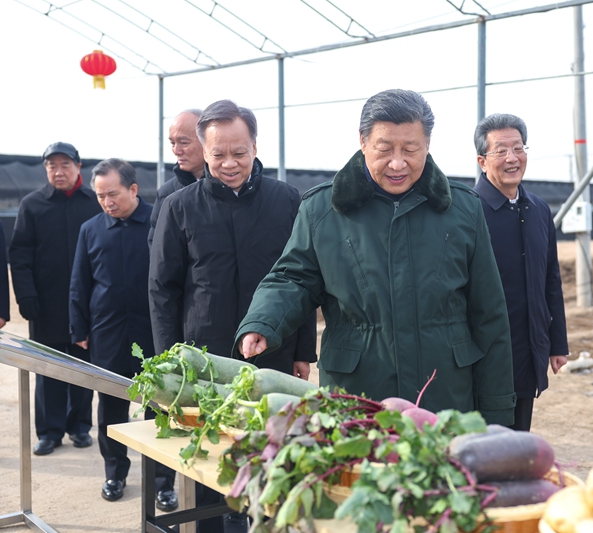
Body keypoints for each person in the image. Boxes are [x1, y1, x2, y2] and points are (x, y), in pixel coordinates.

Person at [236, 89, 516, 425]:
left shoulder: (462, 209)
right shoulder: (322, 209)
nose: (397, 163)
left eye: (410, 149)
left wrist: (497, 410)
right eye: (384, 149)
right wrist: (263, 321)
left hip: (443, 393)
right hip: (358, 393)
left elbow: (489, 314)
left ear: (427, 144)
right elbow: (293, 278)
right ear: (363, 141)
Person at [149, 99, 317, 532]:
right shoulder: (179, 206)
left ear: (255, 147)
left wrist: (303, 350)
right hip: (203, 357)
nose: (229, 163)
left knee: (268, 453)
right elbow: (163, 289)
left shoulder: (286, 200)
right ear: (203, 152)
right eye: (218, 154)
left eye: (239, 152)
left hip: (272, 352)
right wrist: (171, 361)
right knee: (208, 456)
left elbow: (302, 278)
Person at [472, 114, 568, 431]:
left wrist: (557, 344)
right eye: (501, 151)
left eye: (518, 148)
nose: (512, 158)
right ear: (482, 161)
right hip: (482, 354)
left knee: (518, 436)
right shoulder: (467, 212)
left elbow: (550, 279)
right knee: (482, 441)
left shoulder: (538, 209)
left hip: (528, 350)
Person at [69, 159, 154, 502]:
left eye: (112, 194)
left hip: (152, 332)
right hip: (107, 332)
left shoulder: (158, 222)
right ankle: (115, 474)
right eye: (100, 196)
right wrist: (79, 328)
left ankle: (162, 482)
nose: (106, 202)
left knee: (159, 406)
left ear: (133, 189)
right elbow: (80, 282)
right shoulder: (91, 229)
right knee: (110, 408)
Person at [9, 142, 101, 456]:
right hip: (44, 305)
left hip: (86, 305)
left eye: (64, 165)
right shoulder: (32, 205)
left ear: (78, 166)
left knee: (82, 366)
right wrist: (26, 295)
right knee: (47, 368)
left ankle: (79, 426)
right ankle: (49, 432)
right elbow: (19, 255)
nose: (58, 172)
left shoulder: (94, 203)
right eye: (52, 166)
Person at [148, 109, 205, 247]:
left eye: (184, 142)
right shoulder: (167, 193)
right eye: (172, 143)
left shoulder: (232, 185)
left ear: (208, 141)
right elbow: (158, 248)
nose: (176, 150)